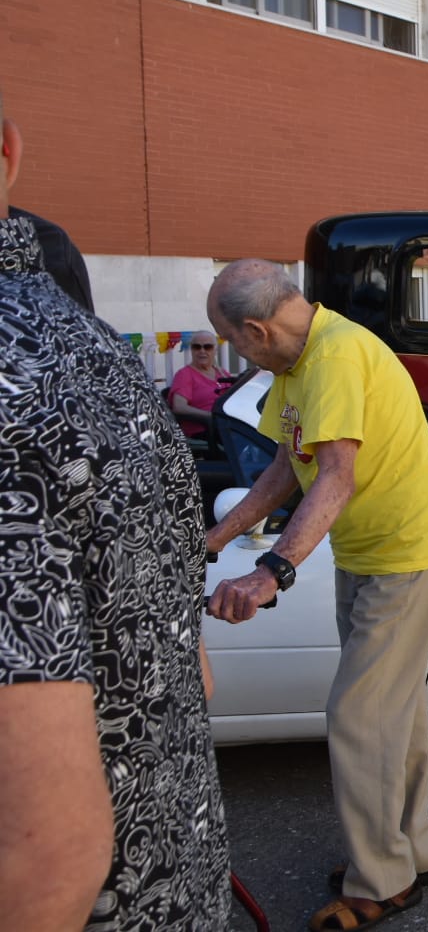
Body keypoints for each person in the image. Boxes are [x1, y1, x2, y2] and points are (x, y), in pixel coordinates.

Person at [0, 96, 231, 928]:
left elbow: (43, 854)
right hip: (176, 887)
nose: (207, 357)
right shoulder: (102, 357)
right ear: (11, 151)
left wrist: (270, 555)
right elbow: (190, 669)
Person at [203, 259, 428, 932]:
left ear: (256, 328)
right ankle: (412, 851)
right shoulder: (296, 365)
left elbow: (335, 480)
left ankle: (382, 878)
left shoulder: (337, 358)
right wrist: (211, 541)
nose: (238, 354)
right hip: (371, 550)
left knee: (358, 716)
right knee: (393, 710)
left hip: (405, 553)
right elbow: (285, 470)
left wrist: (271, 572)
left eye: (234, 341)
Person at [169, 330, 234, 439]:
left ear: (215, 350)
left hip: (227, 427)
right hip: (204, 430)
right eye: (197, 347)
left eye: (207, 347)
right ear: (191, 349)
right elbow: (179, 407)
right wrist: (211, 416)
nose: (202, 351)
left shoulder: (223, 373)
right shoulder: (185, 374)